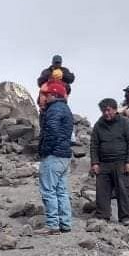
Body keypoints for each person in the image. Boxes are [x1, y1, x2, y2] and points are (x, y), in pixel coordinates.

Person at [90, 98, 129, 226]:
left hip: (122, 162)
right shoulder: (98, 125)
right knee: (102, 191)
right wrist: (95, 163)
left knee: (124, 190)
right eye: (103, 111)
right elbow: (94, 144)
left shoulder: (125, 123)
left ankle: (126, 217)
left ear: (115, 110)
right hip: (104, 163)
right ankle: (102, 216)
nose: (106, 113)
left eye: (108, 110)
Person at [37, 81, 74, 234]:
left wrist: (44, 150)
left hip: (53, 155)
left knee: (48, 190)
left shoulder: (54, 109)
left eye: (48, 95)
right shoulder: (66, 109)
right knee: (62, 191)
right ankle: (65, 223)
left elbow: (51, 131)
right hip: (65, 155)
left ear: (54, 95)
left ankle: (52, 224)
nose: (45, 98)